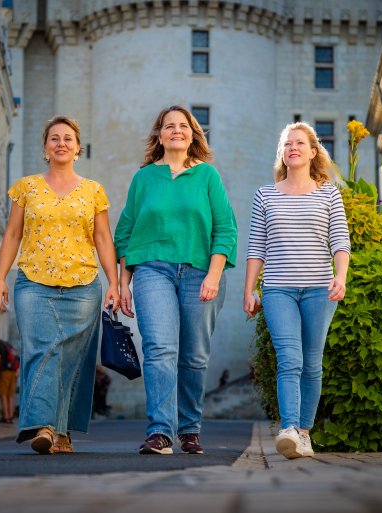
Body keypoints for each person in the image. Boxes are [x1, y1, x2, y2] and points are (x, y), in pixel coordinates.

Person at [115, 105, 238, 455]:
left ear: (193, 134)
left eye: (183, 126)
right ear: (159, 135)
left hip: (200, 272)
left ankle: (189, 428)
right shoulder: (143, 179)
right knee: (159, 348)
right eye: (169, 126)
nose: (176, 131)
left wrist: (214, 275)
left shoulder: (208, 176)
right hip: (152, 269)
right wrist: (123, 282)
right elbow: (124, 232)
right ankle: (161, 431)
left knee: (194, 356)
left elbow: (226, 229)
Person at [0, 115, 120, 455]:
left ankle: (63, 430)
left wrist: (114, 283)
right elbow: (13, 234)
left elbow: (104, 238)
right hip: (33, 282)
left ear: (78, 148)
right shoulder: (26, 187)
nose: (61, 142)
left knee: (71, 359)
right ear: (45, 148)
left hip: (83, 285)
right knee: (41, 350)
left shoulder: (94, 191)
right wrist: (0, 277)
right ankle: (43, 426)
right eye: (54, 138)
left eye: (68, 138)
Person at [243, 121, 350, 459]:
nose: (293, 147)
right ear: (282, 154)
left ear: (313, 151)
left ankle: (304, 433)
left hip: (319, 288)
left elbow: (340, 240)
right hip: (278, 290)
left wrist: (341, 276)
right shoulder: (266, 194)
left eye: (300, 143)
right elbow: (256, 246)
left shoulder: (328, 193)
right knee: (289, 359)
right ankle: (289, 428)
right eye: (287, 143)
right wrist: (250, 290)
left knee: (312, 363)